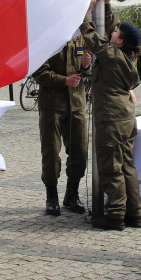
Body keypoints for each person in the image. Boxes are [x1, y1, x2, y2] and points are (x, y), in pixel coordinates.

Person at [80, 0, 141, 231]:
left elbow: (92, 38)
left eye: (115, 34)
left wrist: (86, 12)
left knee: (111, 168)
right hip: (125, 119)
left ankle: (115, 215)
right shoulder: (127, 56)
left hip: (112, 121)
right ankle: (134, 213)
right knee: (127, 165)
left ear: (119, 41)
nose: (111, 32)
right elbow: (116, 27)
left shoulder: (113, 56)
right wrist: (106, 4)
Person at [33, 33, 91, 216]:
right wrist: (64, 81)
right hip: (53, 105)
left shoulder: (80, 38)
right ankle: (51, 197)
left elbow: (87, 72)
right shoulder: (48, 37)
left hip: (77, 104)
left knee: (80, 152)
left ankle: (71, 195)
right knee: (51, 152)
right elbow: (38, 72)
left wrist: (86, 66)